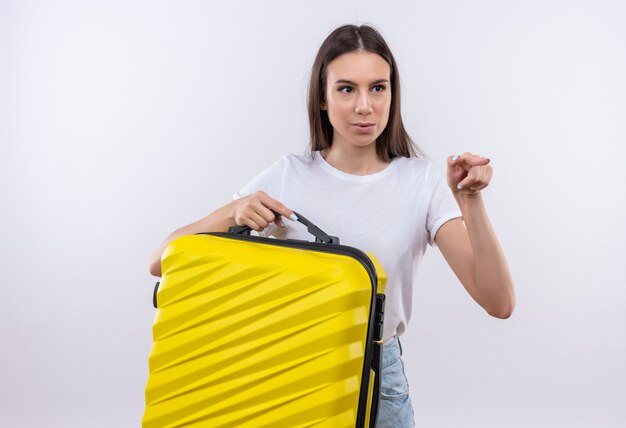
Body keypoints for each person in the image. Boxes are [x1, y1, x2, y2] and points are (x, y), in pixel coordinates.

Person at [148, 24, 515, 428]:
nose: (364, 106)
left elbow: (498, 302)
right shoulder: (288, 176)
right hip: (290, 370)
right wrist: (232, 215)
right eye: (346, 89)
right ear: (322, 99)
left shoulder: (420, 181)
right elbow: (162, 261)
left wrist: (470, 200)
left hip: (380, 378)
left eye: (378, 88)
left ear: (393, 94)